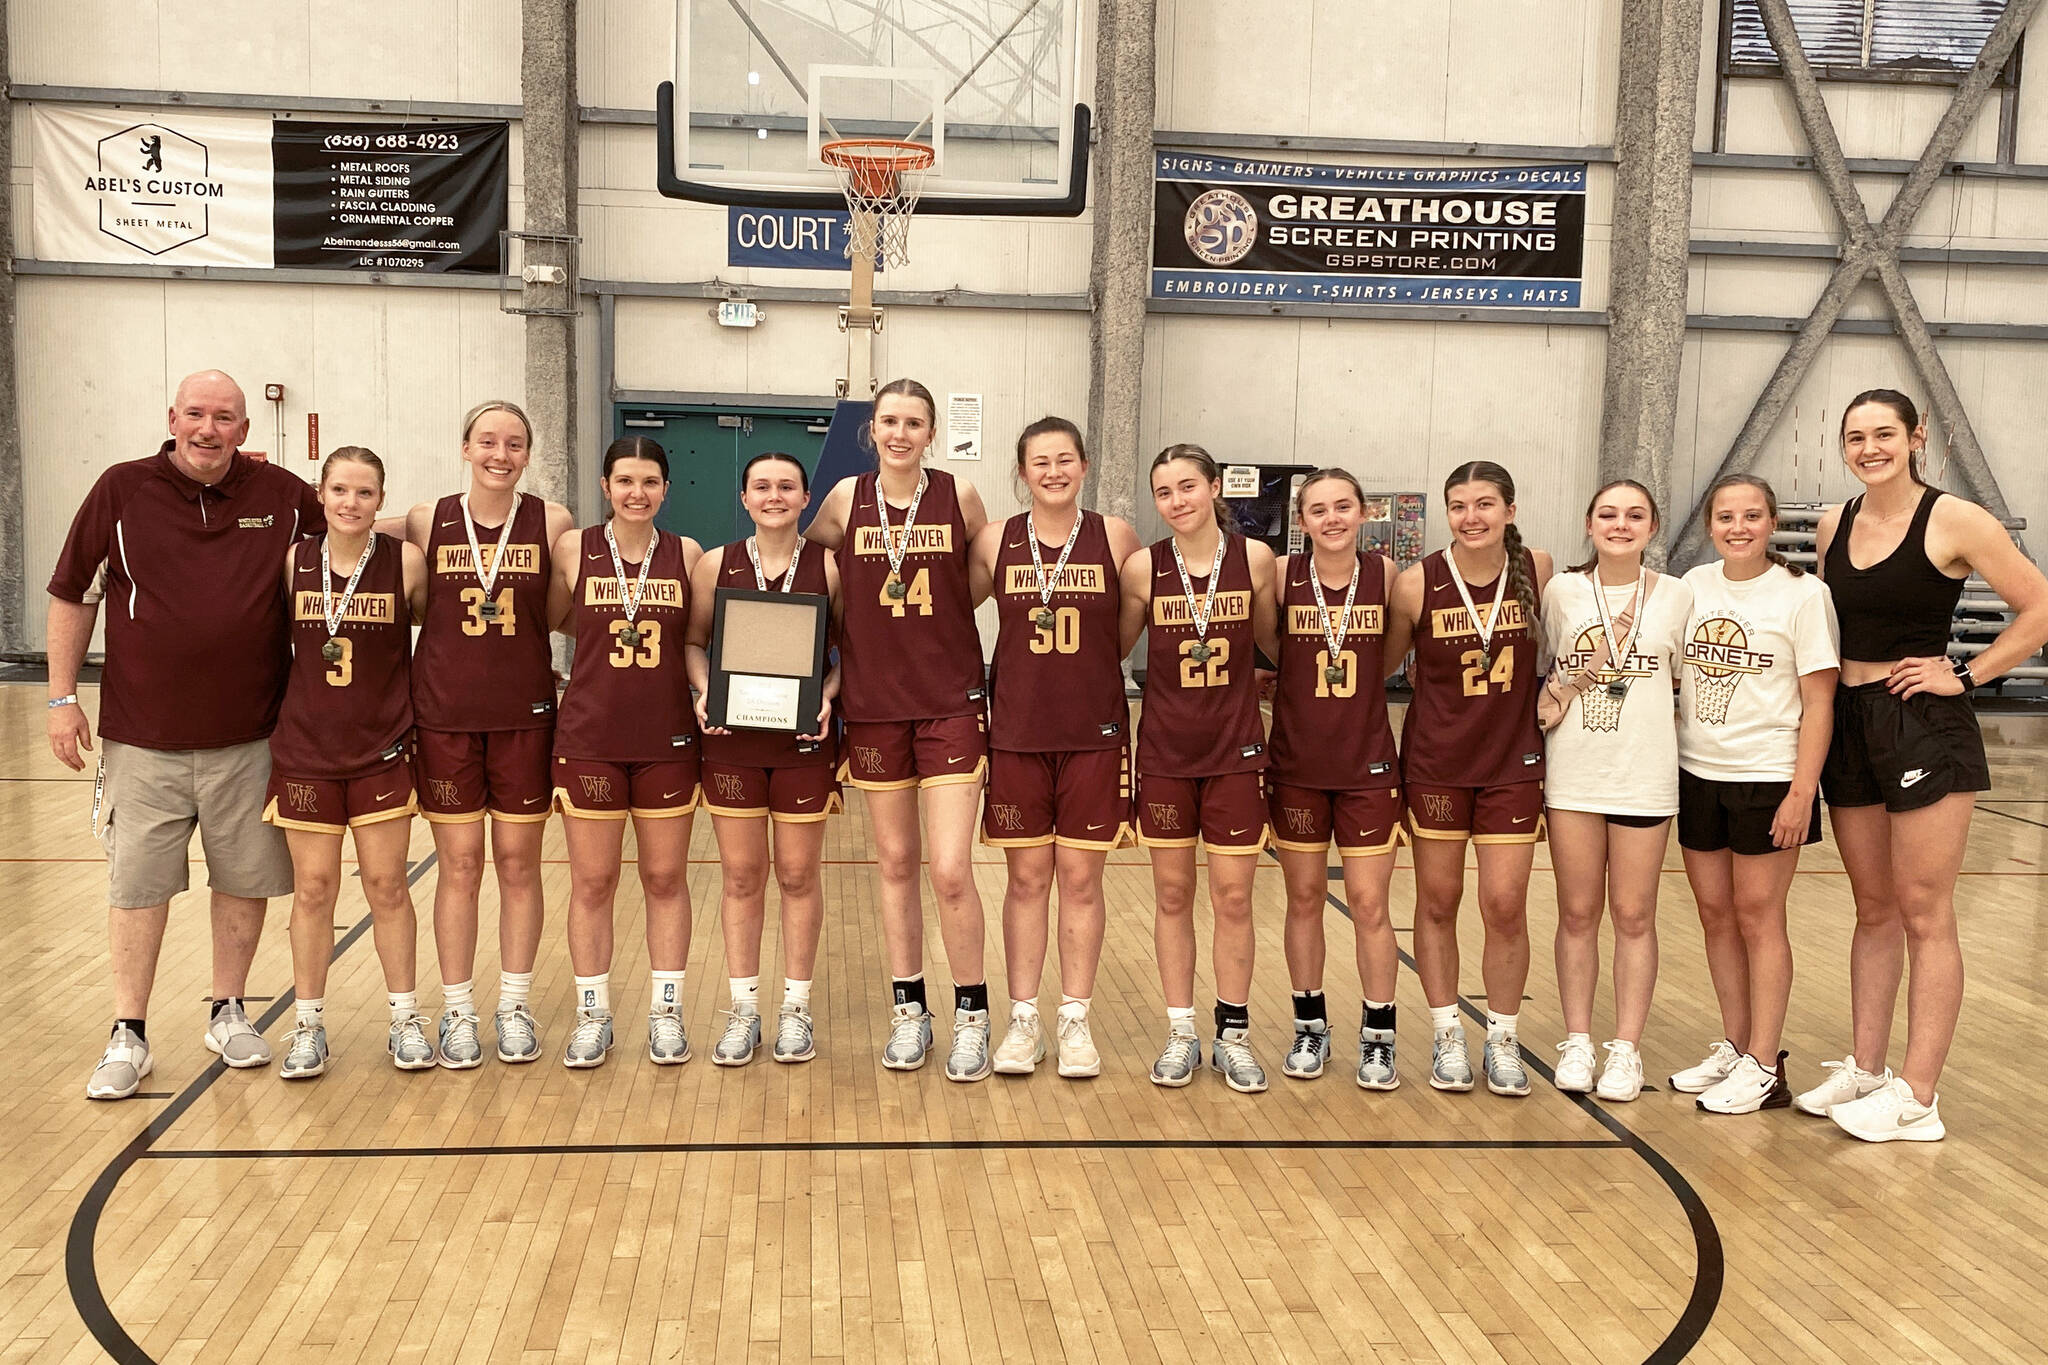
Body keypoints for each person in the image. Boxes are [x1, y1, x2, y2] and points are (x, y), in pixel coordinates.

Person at [48, 370, 324, 1100]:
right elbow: (73, 592)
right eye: (196, 414)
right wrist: (58, 698)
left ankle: (229, 1008)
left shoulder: (286, 498)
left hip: (254, 734)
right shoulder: (120, 489)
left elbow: (356, 533)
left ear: (246, 429)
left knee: (245, 877)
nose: (209, 428)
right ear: (172, 417)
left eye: (225, 417)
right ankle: (128, 1033)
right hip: (142, 738)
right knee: (138, 885)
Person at [1803, 390, 2048, 1141]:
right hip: (1849, 720)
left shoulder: (1955, 519)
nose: (1869, 447)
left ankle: (1918, 1094)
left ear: (1917, 437)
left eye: (1884, 433)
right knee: (1871, 907)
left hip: (1921, 722)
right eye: (1855, 436)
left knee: (1923, 911)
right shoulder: (1831, 523)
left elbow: (2038, 607)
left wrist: (1966, 675)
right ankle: (1868, 1068)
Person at [805, 379, 994, 1079]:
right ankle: (910, 1011)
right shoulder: (842, 502)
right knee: (893, 865)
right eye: (889, 420)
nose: (900, 433)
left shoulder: (960, 497)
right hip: (875, 702)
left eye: (914, 422)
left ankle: (971, 1014)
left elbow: (974, 581)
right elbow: (812, 573)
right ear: (872, 429)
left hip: (947, 697)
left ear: (932, 431)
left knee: (947, 869)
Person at [397, 401, 573, 1069]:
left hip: (525, 718)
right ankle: (461, 1008)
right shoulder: (425, 519)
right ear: (465, 446)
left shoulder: (551, 522)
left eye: (516, 443)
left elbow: (560, 612)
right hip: (444, 719)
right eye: (489, 441)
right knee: (461, 865)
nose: (502, 453)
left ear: (528, 453)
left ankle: (516, 1004)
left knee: (520, 866)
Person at [968, 418, 1140, 1078]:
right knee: (1026, 880)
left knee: (1081, 880)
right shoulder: (995, 540)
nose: (1053, 471)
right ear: (1022, 471)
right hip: (1016, 734)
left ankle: (1074, 1018)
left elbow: (1126, 629)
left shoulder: (1114, 537)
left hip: (1093, 735)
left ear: (1085, 465)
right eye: (1040, 461)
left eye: (1064, 459)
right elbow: (957, 611)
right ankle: (1023, 1020)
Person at [1669, 475, 1838, 1115]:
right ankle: (1738, 1048)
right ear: (1710, 524)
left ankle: (1767, 1064)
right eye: (1725, 516)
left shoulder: (1804, 594)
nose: (1738, 527)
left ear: (1771, 524)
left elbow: (1821, 701)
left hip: (1768, 775)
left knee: (1758, 917)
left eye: (1751, 516)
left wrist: (1802, 791)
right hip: (1697, 771)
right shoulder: (1692, 587)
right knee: (1716, 916)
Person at [264, 448, 432, 1077]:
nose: (351, 503)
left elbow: (430, 638)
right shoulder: (294, 559)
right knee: (313, 889)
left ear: (380, 499)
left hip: (381, 748)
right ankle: (308, 1025)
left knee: (388, 885)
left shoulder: (404, 562)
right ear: (321, 493)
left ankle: (405, 1019)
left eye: (364, 493)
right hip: (307, 749)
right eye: (340, 490)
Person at [1386, 460, 1552, 1098]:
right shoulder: (1415, 583)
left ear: (1509, 510)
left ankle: (1503, 1037)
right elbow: (1375, 665)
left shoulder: (1536, 568)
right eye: (1458, 506)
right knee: (1437, 901)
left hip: (1512, 763)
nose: (1471, 517)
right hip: (1436, 764)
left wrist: (1563, 693)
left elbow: (1569, 648)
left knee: (1505, 905)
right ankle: (1447, 1032)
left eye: (1485, 504)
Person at [1119, 444, 1281, 1092]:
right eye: (1164, 491)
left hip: (1236, 752)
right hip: (1164, 752)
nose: (1177, 500)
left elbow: (1271, 646)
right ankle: (1181, 1030)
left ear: (1215, 487)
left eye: (1188, 485)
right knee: (1172, 895)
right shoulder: (1141, 569)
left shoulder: (1257, 561)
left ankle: (1233, 1033)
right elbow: (1112, 650)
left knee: (1234, 896)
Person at [545, 438, 704, 1067]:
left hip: (665, 739)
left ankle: (666, 1012)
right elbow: (559, 619)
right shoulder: (571, 550)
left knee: (665, 879)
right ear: (606, 486)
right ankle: (593, 1014)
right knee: (593, 880)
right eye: (625, 481)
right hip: (590, 738)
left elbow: (697, 635)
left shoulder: (686, 554)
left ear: (666, 489)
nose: (637, 492)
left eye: (649, 481)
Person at [686, 452, 843, 1067]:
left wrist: (826, 699)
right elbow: (694, 642)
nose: (774, 495)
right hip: (731, 740)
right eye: (761, 486)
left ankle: (796, 1008)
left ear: (806, 499)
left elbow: (849, 652)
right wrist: (704, 691)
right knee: (743, 877)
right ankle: (744, 1010)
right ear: (744, 498)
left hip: (803, 742)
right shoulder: (712, 564)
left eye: (787, 486)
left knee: (799, 876)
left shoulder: (829, 566)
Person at [1538, 480, 1691, 1103]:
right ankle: (1577, 1040)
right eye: (1608, 514)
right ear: (1588, 523)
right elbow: (1548, 666)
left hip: (1645, 776)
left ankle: (1625, 1048)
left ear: (1653, 527)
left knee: (1633, 915)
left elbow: (1686, 676)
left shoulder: (1679, 596)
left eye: (1634, 516)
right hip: (1574, 774)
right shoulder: (1563, 591)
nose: (1620, 525)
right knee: (1577, 913)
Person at [1265, 469, 1403, 1089]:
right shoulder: (1279, 577)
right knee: (1304, 899)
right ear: (1301, 522)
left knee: (1371, 904)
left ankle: (1379, 1036)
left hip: (1368, 766)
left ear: (1364, 511)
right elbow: (1270, 649)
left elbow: (1393, 655)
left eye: (1343, 506)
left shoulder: (1388, 577)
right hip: (1296, 766)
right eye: (1317, 510)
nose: (1332, 518)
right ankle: (1309, 1025)